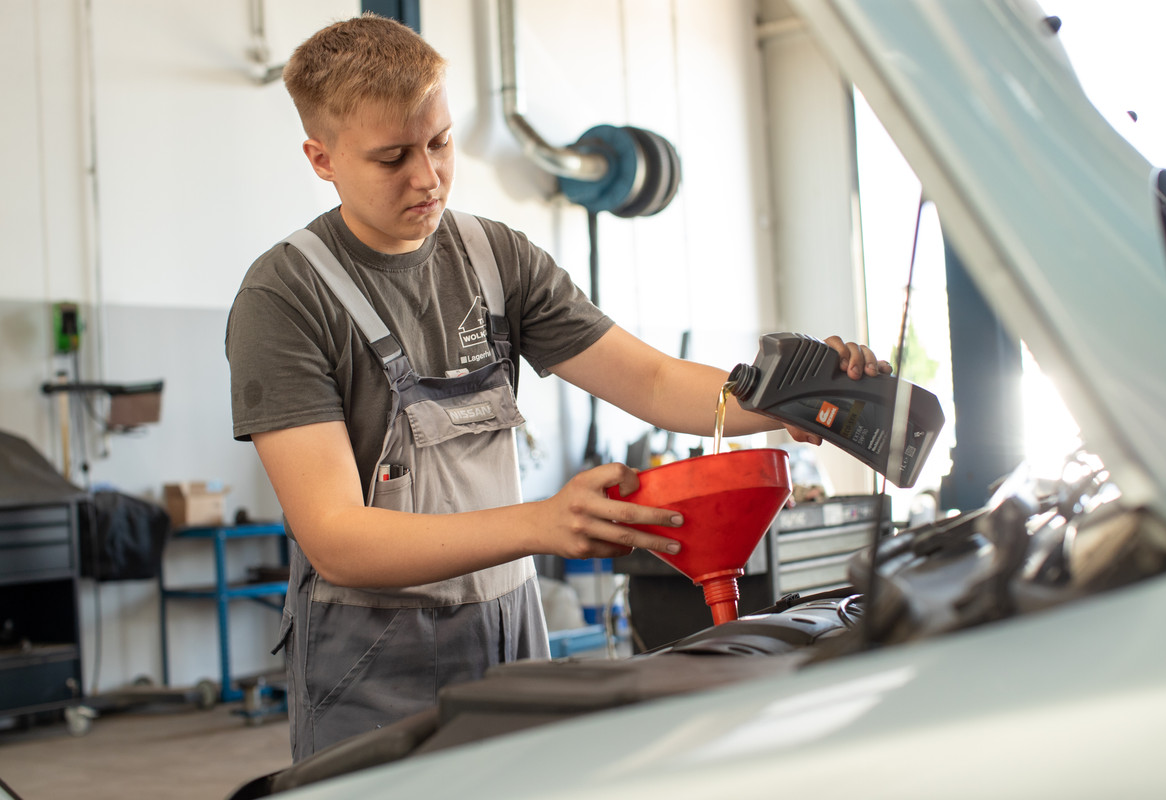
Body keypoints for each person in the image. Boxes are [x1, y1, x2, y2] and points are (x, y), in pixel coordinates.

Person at [225, 13, 890, 762]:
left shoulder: (494, 258)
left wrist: (787, 399)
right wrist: (543, 524)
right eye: (392, 158)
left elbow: (651, 378)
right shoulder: (286, 297)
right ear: (322, 158)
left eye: (440, 142)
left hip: (511, 625)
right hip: (371, 658)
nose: (428, 177)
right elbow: (336, 539)